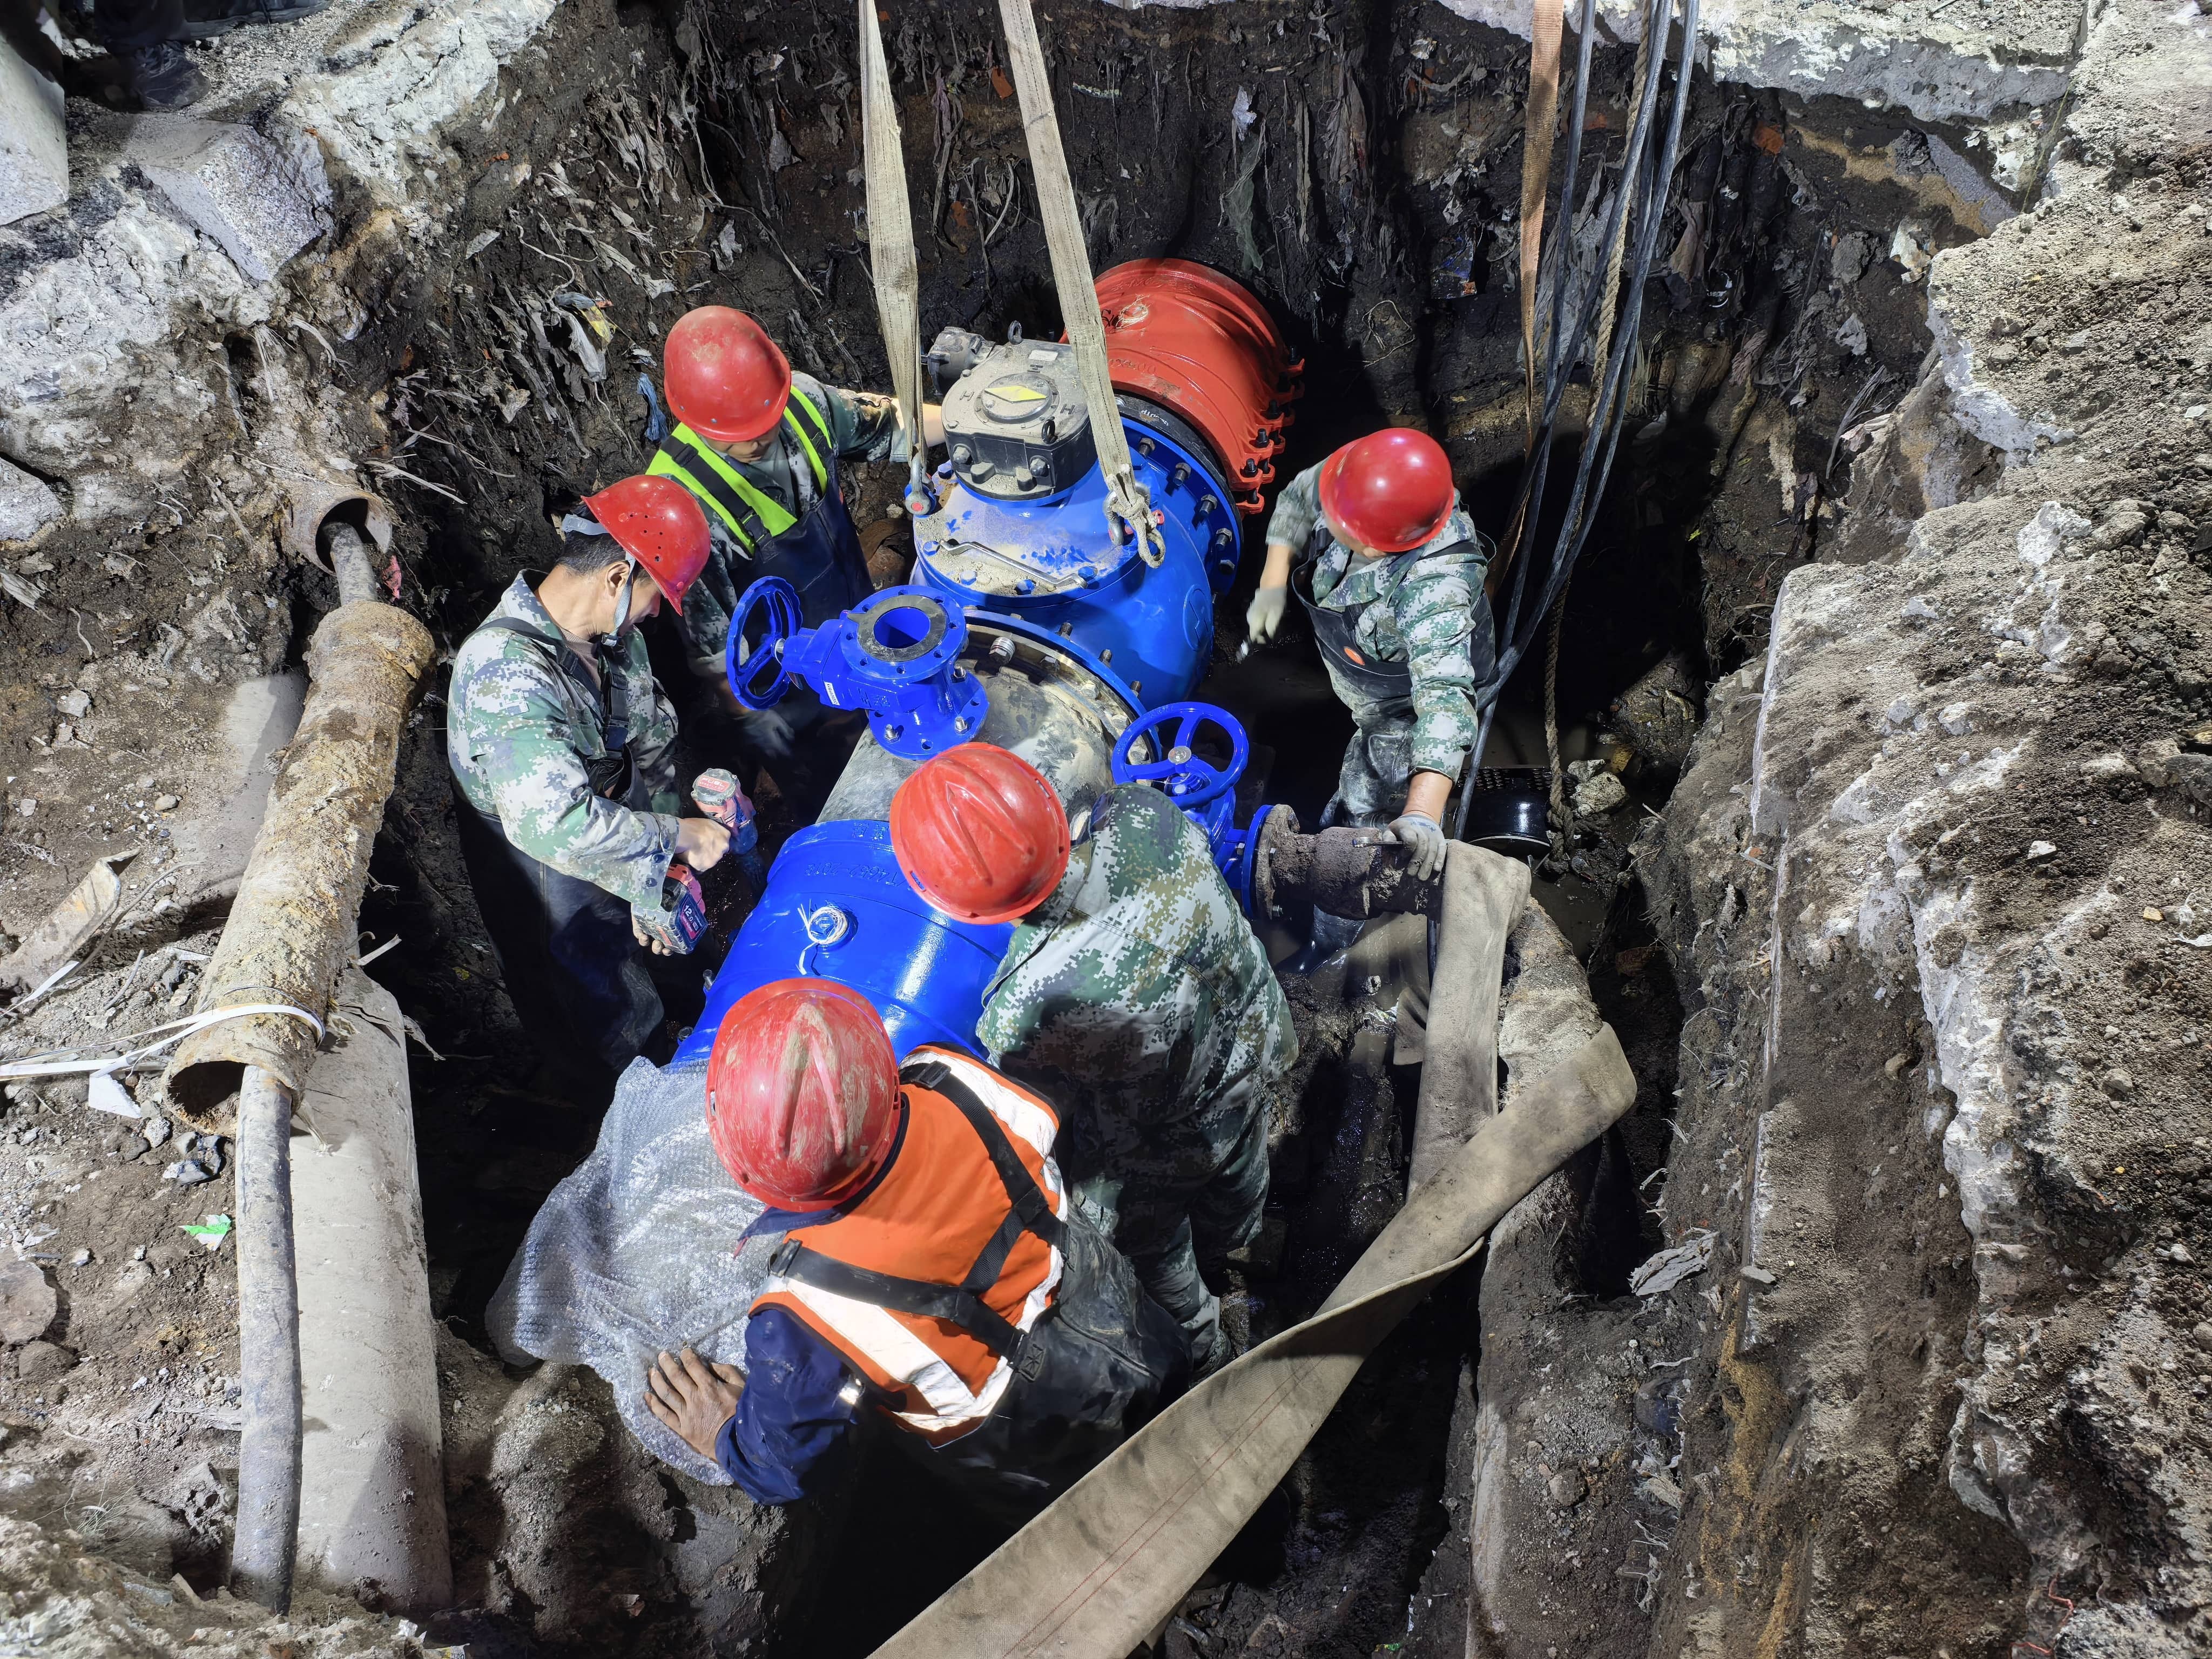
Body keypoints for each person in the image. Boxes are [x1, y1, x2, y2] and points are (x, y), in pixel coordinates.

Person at [643, 979, 1189, 1513]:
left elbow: (790, 1465)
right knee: (1192, 1424)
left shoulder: (804, 1311)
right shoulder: (947, 1077)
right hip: (1114, 1308)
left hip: (1031, 1436)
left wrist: (723, 1435)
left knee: (1110, 1510)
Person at [886, 743, 1296, 1374]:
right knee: (1244, 1164)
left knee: (1143, 1244)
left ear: (961, 906)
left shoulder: (1025, 1006)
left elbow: (1047, 1128)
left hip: (1174, 1139)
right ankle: (1241, 1250)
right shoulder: (1145, 814)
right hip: (1259, 1042)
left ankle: (1211, 1355)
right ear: (1049, 807)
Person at [447, 475, 732, 1089]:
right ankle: (628, 1121)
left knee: (681, 964)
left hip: (614, 835)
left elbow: (653, 736)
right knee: (609, 1020)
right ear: (616, 577)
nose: (657, 613)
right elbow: (552, 824)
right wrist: (671, 838)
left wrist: (653, 879)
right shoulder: (506, 673)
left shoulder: (613, 640)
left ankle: (697, 1046)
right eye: (657, 596)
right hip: (547, 880)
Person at [644, 306, 945, 779]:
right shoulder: (678, 504)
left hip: (863, 628)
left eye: (768, 419)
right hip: (790, 683)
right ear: (696, 421)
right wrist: (752, 717)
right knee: (832, 781)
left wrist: (969, 420)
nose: (762, 437)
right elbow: (713, 643)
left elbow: (890, 424)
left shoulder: (802, 400)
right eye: (741, 435)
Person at [1244, 427, 1494, 958]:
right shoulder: (1361, 473)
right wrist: (1272, 576)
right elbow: (1298, 494)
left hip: (1402, 715)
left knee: (1367, 842)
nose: (1325, 526)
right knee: (1349, 799)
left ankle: (1335, 948)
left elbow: (1446, 700)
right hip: (1366, 689)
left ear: (1378, 543)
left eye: (1339, 528)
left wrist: (1423, 810)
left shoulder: (1432, 587)